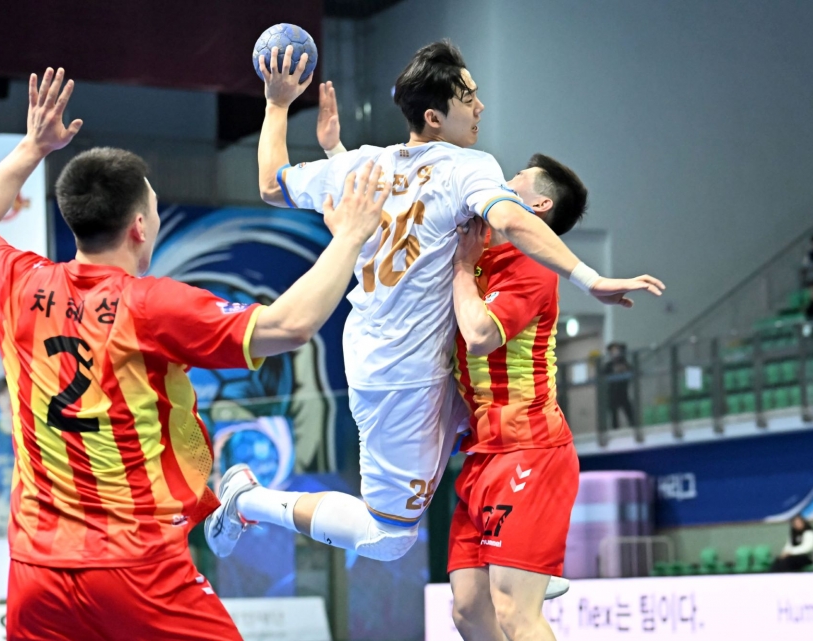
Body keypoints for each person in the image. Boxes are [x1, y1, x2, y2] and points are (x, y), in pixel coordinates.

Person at [0, 67, 390, 640]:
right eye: (154, 208)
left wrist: (33, 147)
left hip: (36, 571)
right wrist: (350, 235)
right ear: (139, 226)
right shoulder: (150, 305)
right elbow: (290, 324)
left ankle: (224, 500)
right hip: (138, 568)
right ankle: (227, 500)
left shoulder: (18, 284)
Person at [207, 41, 664, 568]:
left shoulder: (363, 164)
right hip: (401, 377)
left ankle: (528, 560)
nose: (480, 107)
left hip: (417, 364)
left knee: (499, 427)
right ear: (434, 116)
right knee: (388, 538)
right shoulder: (470, 166)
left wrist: (278, 104)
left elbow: (271, 184)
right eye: (469, 98)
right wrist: (591, 278)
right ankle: (248, 500)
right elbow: (510, 218)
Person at [446, 156, 586, 641]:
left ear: (538, 205)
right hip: (481, 455)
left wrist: (461, 268)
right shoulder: (479, 249)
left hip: (530, 451)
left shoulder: (534, 264)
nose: (498, 186)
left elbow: (479, 334)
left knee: (514, 614)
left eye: (513, 182)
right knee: (469, 611)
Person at [603, 343, 635, 429]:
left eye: (616, 350)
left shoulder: (624, 363)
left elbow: (632, 371)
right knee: (614, 416)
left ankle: (633, 427)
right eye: (612, 351)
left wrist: (623, 369)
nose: (615, 353)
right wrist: (614, 371)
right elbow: (603, 375)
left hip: (623, 393)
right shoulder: (609, 365)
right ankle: (615, 430)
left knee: (629, 412)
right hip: (612, 394)